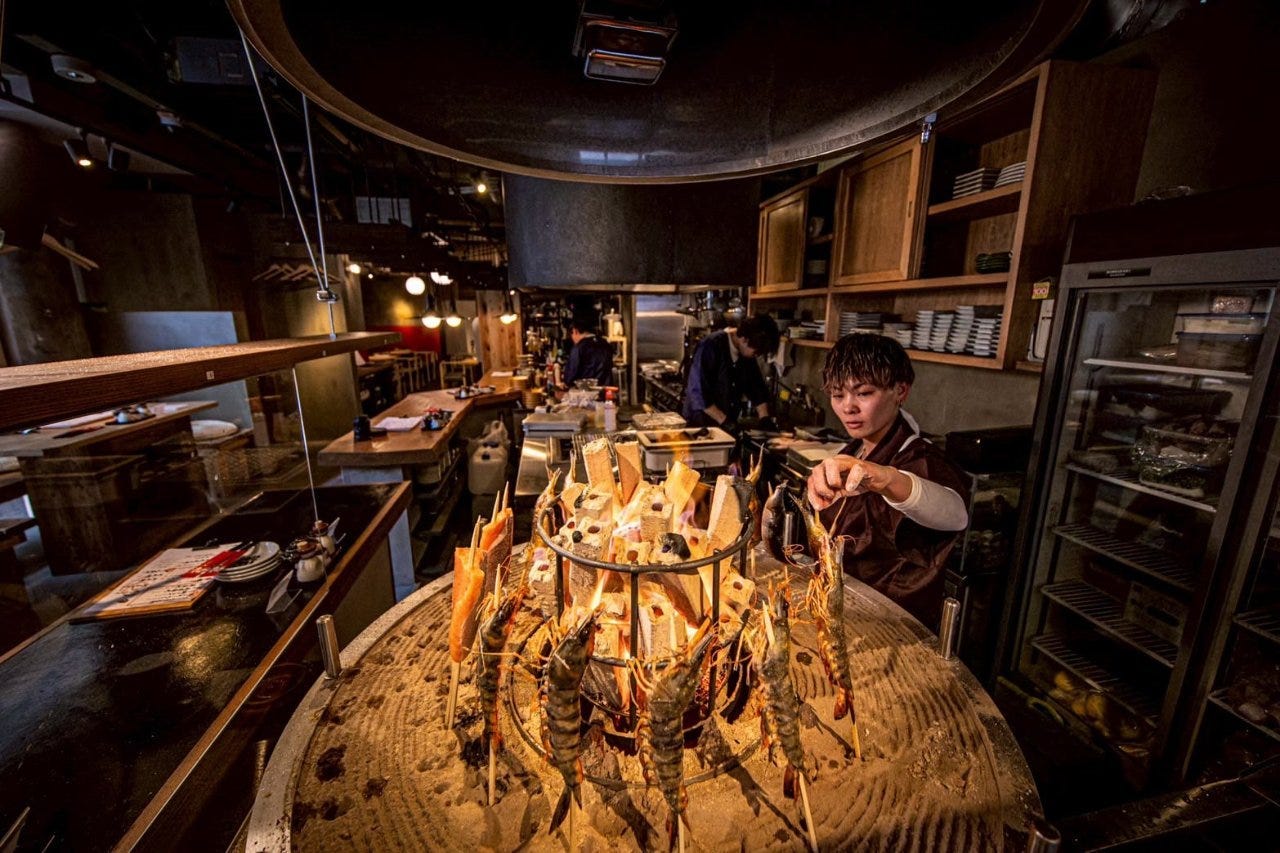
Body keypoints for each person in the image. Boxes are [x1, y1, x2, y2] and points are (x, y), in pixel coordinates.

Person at [805, 333, 969, 628]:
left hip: (891, 626)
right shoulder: (854, 449)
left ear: (900, 391)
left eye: (864, 393)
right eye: (838, 395)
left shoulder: (920, 457)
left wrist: (886, 479)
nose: (848, 407)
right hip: (842, 612)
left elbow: (955, 513)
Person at [681, 315, 780, 430]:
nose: (757, 356)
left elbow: (756, 387)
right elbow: (699, 394)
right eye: (757, 352)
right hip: (700, 425)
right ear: (744, 339)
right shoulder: (711, 345)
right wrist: (725, 422)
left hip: (726, 424)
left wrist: (764, 418)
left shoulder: (746, 353)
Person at [561, 309, 614, 388]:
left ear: (575, 331)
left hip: (585, 391)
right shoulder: (605, 343)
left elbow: (570, 376)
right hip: (605, 390)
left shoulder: (578, 348)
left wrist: (565, 380)